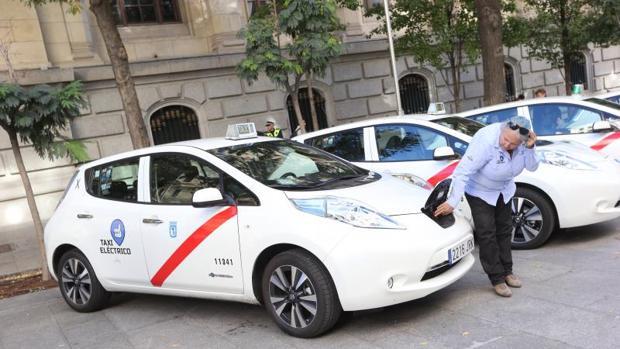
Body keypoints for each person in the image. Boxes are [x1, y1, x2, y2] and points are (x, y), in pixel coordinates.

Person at [434, 116, 539, 297]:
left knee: (505, 230)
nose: (507, 145)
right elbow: (462, 171)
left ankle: (507, 270)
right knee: (487, 233)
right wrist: (452, 201)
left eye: (513, 144)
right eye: (505, 139)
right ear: (502, 130)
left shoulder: (524, 143)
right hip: (479, 192)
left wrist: (530, 148)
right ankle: (497, 278)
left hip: (504, 190)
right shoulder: (485, 140)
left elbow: (533, 166)